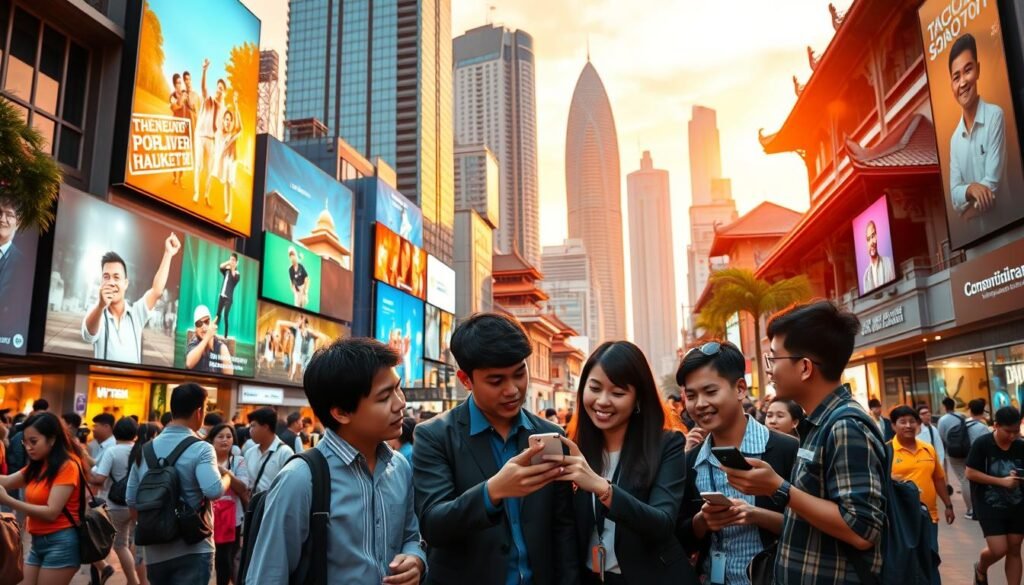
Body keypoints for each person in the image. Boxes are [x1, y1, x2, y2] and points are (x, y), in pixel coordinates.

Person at [723, 300, 885, 584]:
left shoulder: (845, 426)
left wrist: (778, 487)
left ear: (805, 367)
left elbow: (862, 530)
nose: (770, 370)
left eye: (774, 358)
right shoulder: (819, 424)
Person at [412, 313, 578, 584]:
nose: (512, 390)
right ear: (466, 380)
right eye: (496, 380)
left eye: (519, 373)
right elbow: (434, 525)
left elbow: (563, 530)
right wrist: (493, 491)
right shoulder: (434, 436)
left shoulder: (550, 436)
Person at [245, 338, 426, 584]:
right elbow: (267, 575)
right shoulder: (300, 479)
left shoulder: (399, 467)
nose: (401, 403)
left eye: (398, 388)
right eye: (384, 397)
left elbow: (410, 536)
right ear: (341, 412)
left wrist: (416, 559)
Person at [556, 341, 692, 584]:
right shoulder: (574, 446)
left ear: (638, 398)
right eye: (594, 388)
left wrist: (603, 488)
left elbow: (662, 523)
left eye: (617, 393)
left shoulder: (667, 444)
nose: (602, 401)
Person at [677, 341, 798, 584]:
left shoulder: (787, 450)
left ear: (740, 388)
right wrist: (701, 523)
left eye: (710, 392)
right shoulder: (691, 461)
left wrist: (756, 515)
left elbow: (812, 529)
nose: (700, 404)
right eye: (691, 395)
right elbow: (679, 536)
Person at [126, 384, 230, 585]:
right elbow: (213, 490)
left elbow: (131, 498)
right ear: (199, 411)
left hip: (155, 551)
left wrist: (156, 525)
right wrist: (227, 478)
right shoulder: (202, 449)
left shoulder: (145, 450)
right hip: (193, 548)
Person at [0, 412, 86, 585]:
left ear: (52, 439)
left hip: (61, 543)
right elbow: (8, 481)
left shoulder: (67, 465)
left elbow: (51, 512)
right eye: (25, 442)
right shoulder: (39, 464)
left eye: (34, 441)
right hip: (38, 542)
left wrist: (8, 501)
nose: (28, 447)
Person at [82, 235, 181, 363]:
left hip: (134, 382)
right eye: (106, 277)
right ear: (101, 282)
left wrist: (168, 254)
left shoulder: (135, 313)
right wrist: (100, 306)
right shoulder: (97, 313)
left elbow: (156, 291)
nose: (111, 282)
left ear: (126, 283)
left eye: (116, 277)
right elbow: (88, 334)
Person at [889, 405, 954, 584]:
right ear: (893, 426)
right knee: (906, 562)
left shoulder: (928, 449)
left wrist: (948, 505)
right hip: (900, 519)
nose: (908, 425)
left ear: (918, 424)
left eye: (912, 421)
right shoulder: (886, 451)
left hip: (928, 516)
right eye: (902, 422)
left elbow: (939, 479)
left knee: (931, 558)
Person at [947, 33, 1007, 220]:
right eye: (956, 77)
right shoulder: (954, 140)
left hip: (1007, 228)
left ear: (978, 70)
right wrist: (971, 188)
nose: (963, 82)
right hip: (975, 244)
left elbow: (993, 184)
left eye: (968, 70)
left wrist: (966, 214)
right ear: (951, 85)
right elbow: (954, 196)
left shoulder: (995, 116)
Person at [967, 406, 1024, 585]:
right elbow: (970, 473)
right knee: (999, 549)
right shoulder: (982, 444)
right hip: (989, 503)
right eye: (1009, 432)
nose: (1013, 436)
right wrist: (1002, 482)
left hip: (1018, 503)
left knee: (1015, 548)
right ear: (996, 425)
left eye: (1016, 431)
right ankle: (981, 568)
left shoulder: (1021, 445)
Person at [91, 416, 140, 585]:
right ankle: (133, 580)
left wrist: (86, 473)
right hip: (133, 504)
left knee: (95, 541)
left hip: (114, 505)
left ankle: (106, 570)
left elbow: (100, 478)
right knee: (122, 545)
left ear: (115, 431)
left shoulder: (113, 451)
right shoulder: (140, 450)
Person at [206, 423, 248, 585]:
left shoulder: (238, 461)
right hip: (208, 518)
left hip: (233, 519)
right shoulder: (206, 460)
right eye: (220, 437)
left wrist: (224, 472)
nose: (225, 440)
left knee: (226, 558)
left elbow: (243, 487)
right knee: (212, 557)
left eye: (229, 437)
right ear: (212, 440)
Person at [942, 398, 990, 519]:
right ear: (983, 411)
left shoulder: (962, 421)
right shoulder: (982, 426)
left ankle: (970, 509)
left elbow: (944, 436)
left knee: (964, 480)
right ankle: (975, 509)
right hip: (972, 455)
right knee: (973, 480)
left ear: (970, 410)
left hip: (955, 454)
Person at [194, 59, 224, 206]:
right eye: (218, 87)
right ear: (216, 88)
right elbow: (203, 88)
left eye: (222, 89)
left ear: (224, 92)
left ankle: (206, 195)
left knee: (209, 170)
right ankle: (196, 193)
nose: (219, 90)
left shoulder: (223, 109)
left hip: (211, 141)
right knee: (198, 166)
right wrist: (204, 70)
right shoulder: (209, 99)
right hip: (200, 137)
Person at [243, 407, 293, 494]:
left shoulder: (285, 453)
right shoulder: (249, 453)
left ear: (265, 427)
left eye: (253, 426)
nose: (250, 430)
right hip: (252, 505)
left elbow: (289, 486)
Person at [212, 93, 242, 224]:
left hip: (231, 161)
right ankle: (226, 210)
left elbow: (242, 128)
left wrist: (236, 105)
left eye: (230, 119)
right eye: (226, 119)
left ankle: (230, 213)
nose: (228, 121)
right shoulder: (221, 133)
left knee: (230, 184)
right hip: (224, 161)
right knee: (226, 185)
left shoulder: (233, 133)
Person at [185, 305, 234, 375]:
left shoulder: (221, 348)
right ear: (196, 328)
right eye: (199, 324)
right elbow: (189, 364)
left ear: (211, 324)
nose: (203, 326)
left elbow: (229, 375)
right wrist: (207, 337)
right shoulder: (193, 344)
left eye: (207, 322)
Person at [0, 195, 25, 299]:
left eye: (9, 215)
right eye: (0, 213)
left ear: (18, 222)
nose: (2, 219)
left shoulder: (22, 263)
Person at [861, 220, 896, 291]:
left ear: (877, 236)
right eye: (868, 239)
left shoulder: (889, 262)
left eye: (873, 236)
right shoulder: (866, 276)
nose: (871, 242)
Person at [168, 73, 187, 188]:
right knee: (175, 154)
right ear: (175, 84)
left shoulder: (185, 94)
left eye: (181, 82)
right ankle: (175, 177)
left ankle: (180, 178)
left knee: (182, 154)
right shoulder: (172, 96)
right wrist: (181, 101)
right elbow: (174, 107)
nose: (180, 84)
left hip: (184, 129)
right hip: (176, 128)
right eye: (179, 83)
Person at [215, 254, 241, 339]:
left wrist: (233, 266)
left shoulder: (237, 273)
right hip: (222, 296)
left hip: (228, 299)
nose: (231, 261)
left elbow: (234, 277)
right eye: (231, 259)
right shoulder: (227, 270)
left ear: (236, 262)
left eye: (233, 260)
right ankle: (214, 332)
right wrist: (228, 262)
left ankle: (225, 336)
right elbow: (221, 266)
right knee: (218, 315)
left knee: (225, 315)